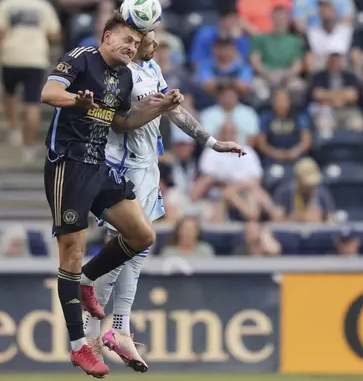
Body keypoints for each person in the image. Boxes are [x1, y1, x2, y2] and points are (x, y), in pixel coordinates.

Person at [85, 31, 245, 372]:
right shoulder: (118, 72)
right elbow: (120, 119)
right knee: (124, 246)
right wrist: (161, 103)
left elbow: (174, 114)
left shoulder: (152, 68)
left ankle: (119, 328)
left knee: (136, 250)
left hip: (147, 166)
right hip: (122, 166)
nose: (156, 44)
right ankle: (94, 333)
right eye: (150, 38)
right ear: (134, 39)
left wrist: (212, 142)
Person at [40, 14, 180, 377]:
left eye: (135, 44)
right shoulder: (80, 57)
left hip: (99, 166)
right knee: (71, 251)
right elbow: (48, 94)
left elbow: (121, 122)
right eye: (126, 40)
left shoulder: (125, 75)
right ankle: (79, 347)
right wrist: (76, 100)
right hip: (67, 165)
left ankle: (86, 281)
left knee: (142, 235)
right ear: (106, 36)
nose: (131, 47)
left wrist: (159, 107)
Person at [0, 0, 61, 160]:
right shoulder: (43, 5)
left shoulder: (6, 3)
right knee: (32, 103)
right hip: (35, 58)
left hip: (11, 57)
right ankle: (29, 147)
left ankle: (14, 129)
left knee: (8, 94)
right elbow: (54, 34)